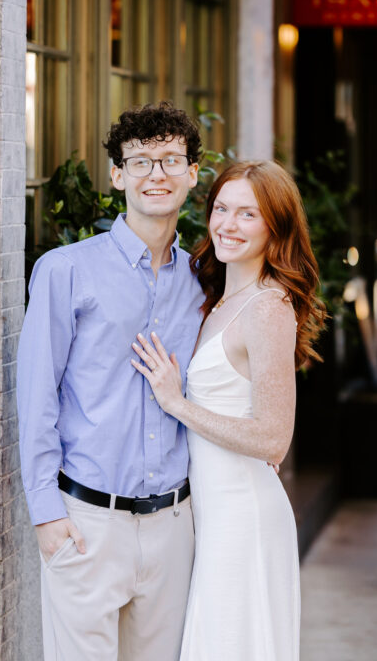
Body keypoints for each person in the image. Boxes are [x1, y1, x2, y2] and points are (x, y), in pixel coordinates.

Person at [17, 102, 205, 661]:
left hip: (173, 524)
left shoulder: (202, 282)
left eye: (171, 160)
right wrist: (47, 514)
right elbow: (36, 396)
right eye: (141, 162)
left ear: (193, 174)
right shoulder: (65, 269)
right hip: (87, 522)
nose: (157, 175)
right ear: (118, 175)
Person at [131, 160, 326, 661]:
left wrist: (178, 404)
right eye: (221, 209)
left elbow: (272, 439)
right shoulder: (217, 297)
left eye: (247, 215)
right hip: (211, 513)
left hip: (243, 515)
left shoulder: (267, 308)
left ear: (274, 227)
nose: (227, 225)